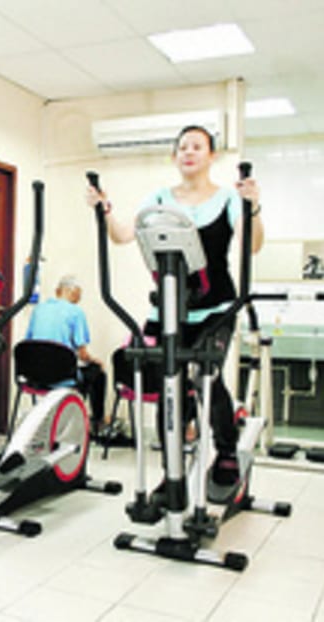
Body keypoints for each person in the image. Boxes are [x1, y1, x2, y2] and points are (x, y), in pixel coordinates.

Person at [85, 124, 264, 492]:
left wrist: (254, 207)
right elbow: (122, 235)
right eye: (183, 147)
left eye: (197, 146)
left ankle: (226, 450)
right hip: (168, 309)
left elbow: (254, 245)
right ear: (174, 156)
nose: (189, 152)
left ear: (211, 156)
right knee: (170, 385)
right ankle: (172, 471)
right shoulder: (159, 198)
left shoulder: (228, 199)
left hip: (217, 308)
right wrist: (104, 210)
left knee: (206, 376)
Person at [24, 275, 107, 435]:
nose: (79, 298)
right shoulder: (76, 312)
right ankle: (95, 423)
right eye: (79, 294)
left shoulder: (38, 309)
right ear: (71, 291)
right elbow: (82, 354)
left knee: (80, 374)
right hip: (61, 376)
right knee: (98, 374)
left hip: (34, 377)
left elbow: (29, 342)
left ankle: (63, 419)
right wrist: (96, 361)